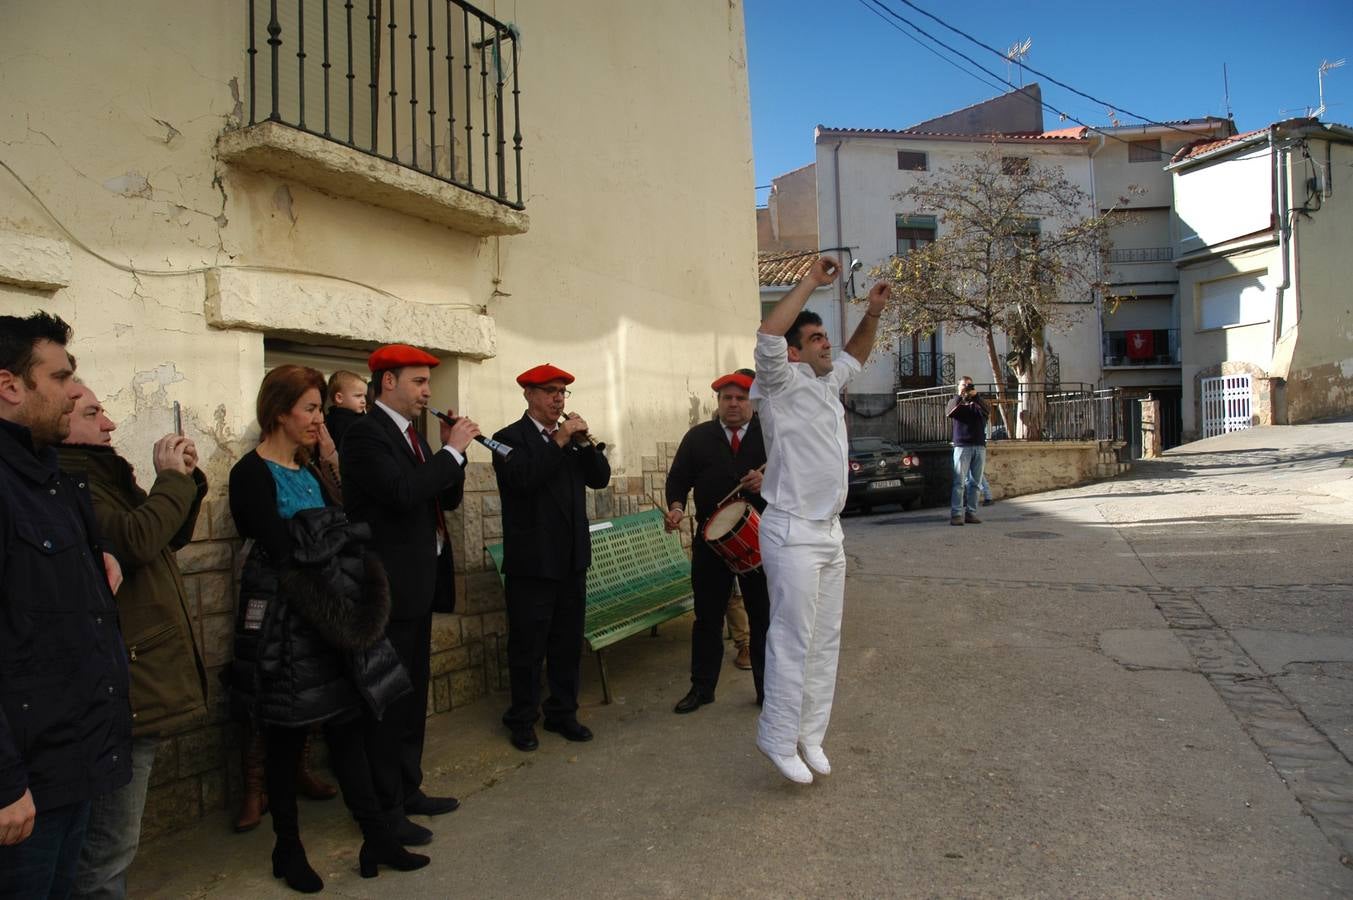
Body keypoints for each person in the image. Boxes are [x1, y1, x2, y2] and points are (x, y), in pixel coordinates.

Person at [229, 365, 428, 892]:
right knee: (286, 739)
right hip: (286, 629)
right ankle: (287, 849)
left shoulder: (312, 468)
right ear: (279, 413)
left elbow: (338, 532)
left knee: (348, 729)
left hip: (331, 621)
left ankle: (376, 836)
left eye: (321, 408)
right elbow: (283, 549)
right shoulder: (251, 473)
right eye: (312, 409)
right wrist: (330, 551)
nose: (321, 418)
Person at [56, 384, 209, 900]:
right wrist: (169, 480)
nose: (110, 424)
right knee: (104, 850)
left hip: (136, 680)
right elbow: (138, 538)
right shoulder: (69, 481)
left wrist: (185, 481)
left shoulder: (98, 476)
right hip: (123, 687)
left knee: (111, 844)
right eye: (94, 413)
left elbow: (165, 533)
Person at [0, 312, 131, 899]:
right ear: (10, 387)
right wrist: (4, 783)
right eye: (60, 377)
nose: (76, 392)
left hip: (72, 760)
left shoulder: (50, 476)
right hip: (25, 784)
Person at [752, 257, 890, 784]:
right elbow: (768, 332)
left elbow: (855, 354)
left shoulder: (828, 384)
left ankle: (810, 733)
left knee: (826, 638)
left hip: (830, 531)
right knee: (792, 637)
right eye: (815, 340)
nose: (826, 345)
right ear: (794, 352)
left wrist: (872, 313)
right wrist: (811, 280)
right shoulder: (779, 384)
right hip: (791, 531)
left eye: (825, 338)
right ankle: (777, 736)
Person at [340, 346, 476, 823]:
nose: (427, 392)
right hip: (386, 591)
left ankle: (408, 786)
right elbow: (401, 495)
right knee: (388, 702)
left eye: (428, 383)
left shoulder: (414, 437)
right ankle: (386, 807)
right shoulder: (364, 435)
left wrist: (447, 451)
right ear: (388, 383)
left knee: (413, 696)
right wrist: (454, 452)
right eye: (418, 382)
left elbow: (446, 498)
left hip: (418, 585)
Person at [492, 365, 611, 752]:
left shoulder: (571, 440)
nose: (558, 398)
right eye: (549, 391)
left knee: (566, 642)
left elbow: (600, 478)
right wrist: (558, 439)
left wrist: (585, 443)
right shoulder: (507, 438)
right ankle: (522, 719)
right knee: (528, 647)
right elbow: (523, 479)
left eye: (562, 392)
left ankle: (563, 712)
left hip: (572, 558)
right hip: (533, 562)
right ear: (528, 394)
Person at [664, 371, 770, 713]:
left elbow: (795, 474)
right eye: (728, 398)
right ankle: (702, 688)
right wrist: (677, 508)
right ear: (719, 402)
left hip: (760, 542)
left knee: (763, 617)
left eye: (741, 398)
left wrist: (766, 479)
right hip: (710, 545)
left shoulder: (770, 435)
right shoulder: (698, 437)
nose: (734, 404)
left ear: (751, 401)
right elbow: (678, 478)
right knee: (707, 617)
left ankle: (768, 690)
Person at [946, 376, 989, 526]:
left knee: (975, 483)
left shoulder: (977, 403)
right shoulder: (955, 401)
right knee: (959, 483)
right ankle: (956, 514)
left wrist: (975, 396)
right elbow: (950, 411)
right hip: (962, 446)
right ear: (958, 386)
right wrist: (961, 394)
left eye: (970, 384)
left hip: (979, 446)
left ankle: (971, 513)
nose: (967, 387)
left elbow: (987, 410)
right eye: (964, 385)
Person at [324, 371, 367, 449]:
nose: (363, 401)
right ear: (339, 398)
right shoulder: (345, 422)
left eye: (364, 396)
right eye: (358, 396)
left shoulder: (328, 419)